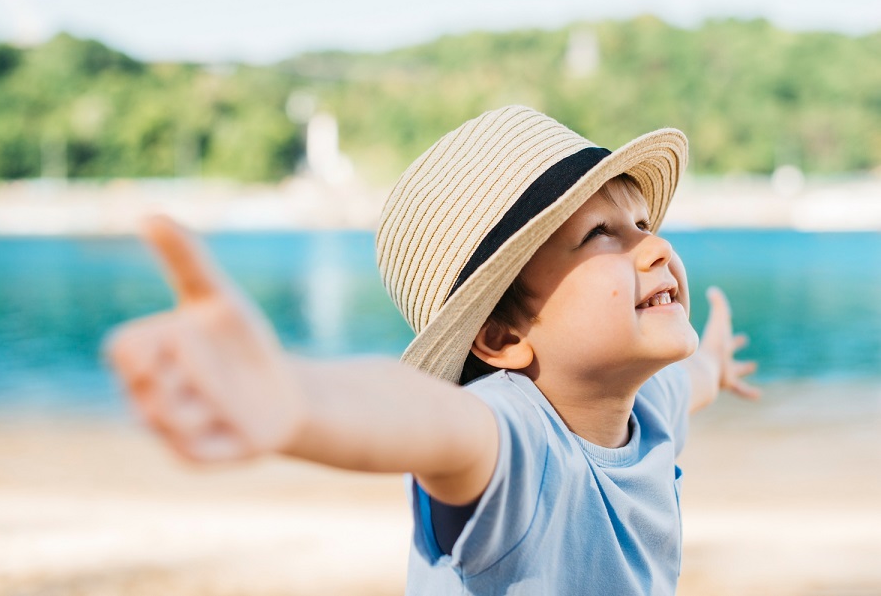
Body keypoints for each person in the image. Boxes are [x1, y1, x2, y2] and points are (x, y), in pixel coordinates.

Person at [107, 105, 759, 595]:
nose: (653, 247)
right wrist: (294, 397)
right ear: (502, 337)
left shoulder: (649, 411)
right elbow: (419, 417)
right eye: (599, 235)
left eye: (642, 223)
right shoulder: (514, 441)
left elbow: (691, 382)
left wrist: (716, 363)